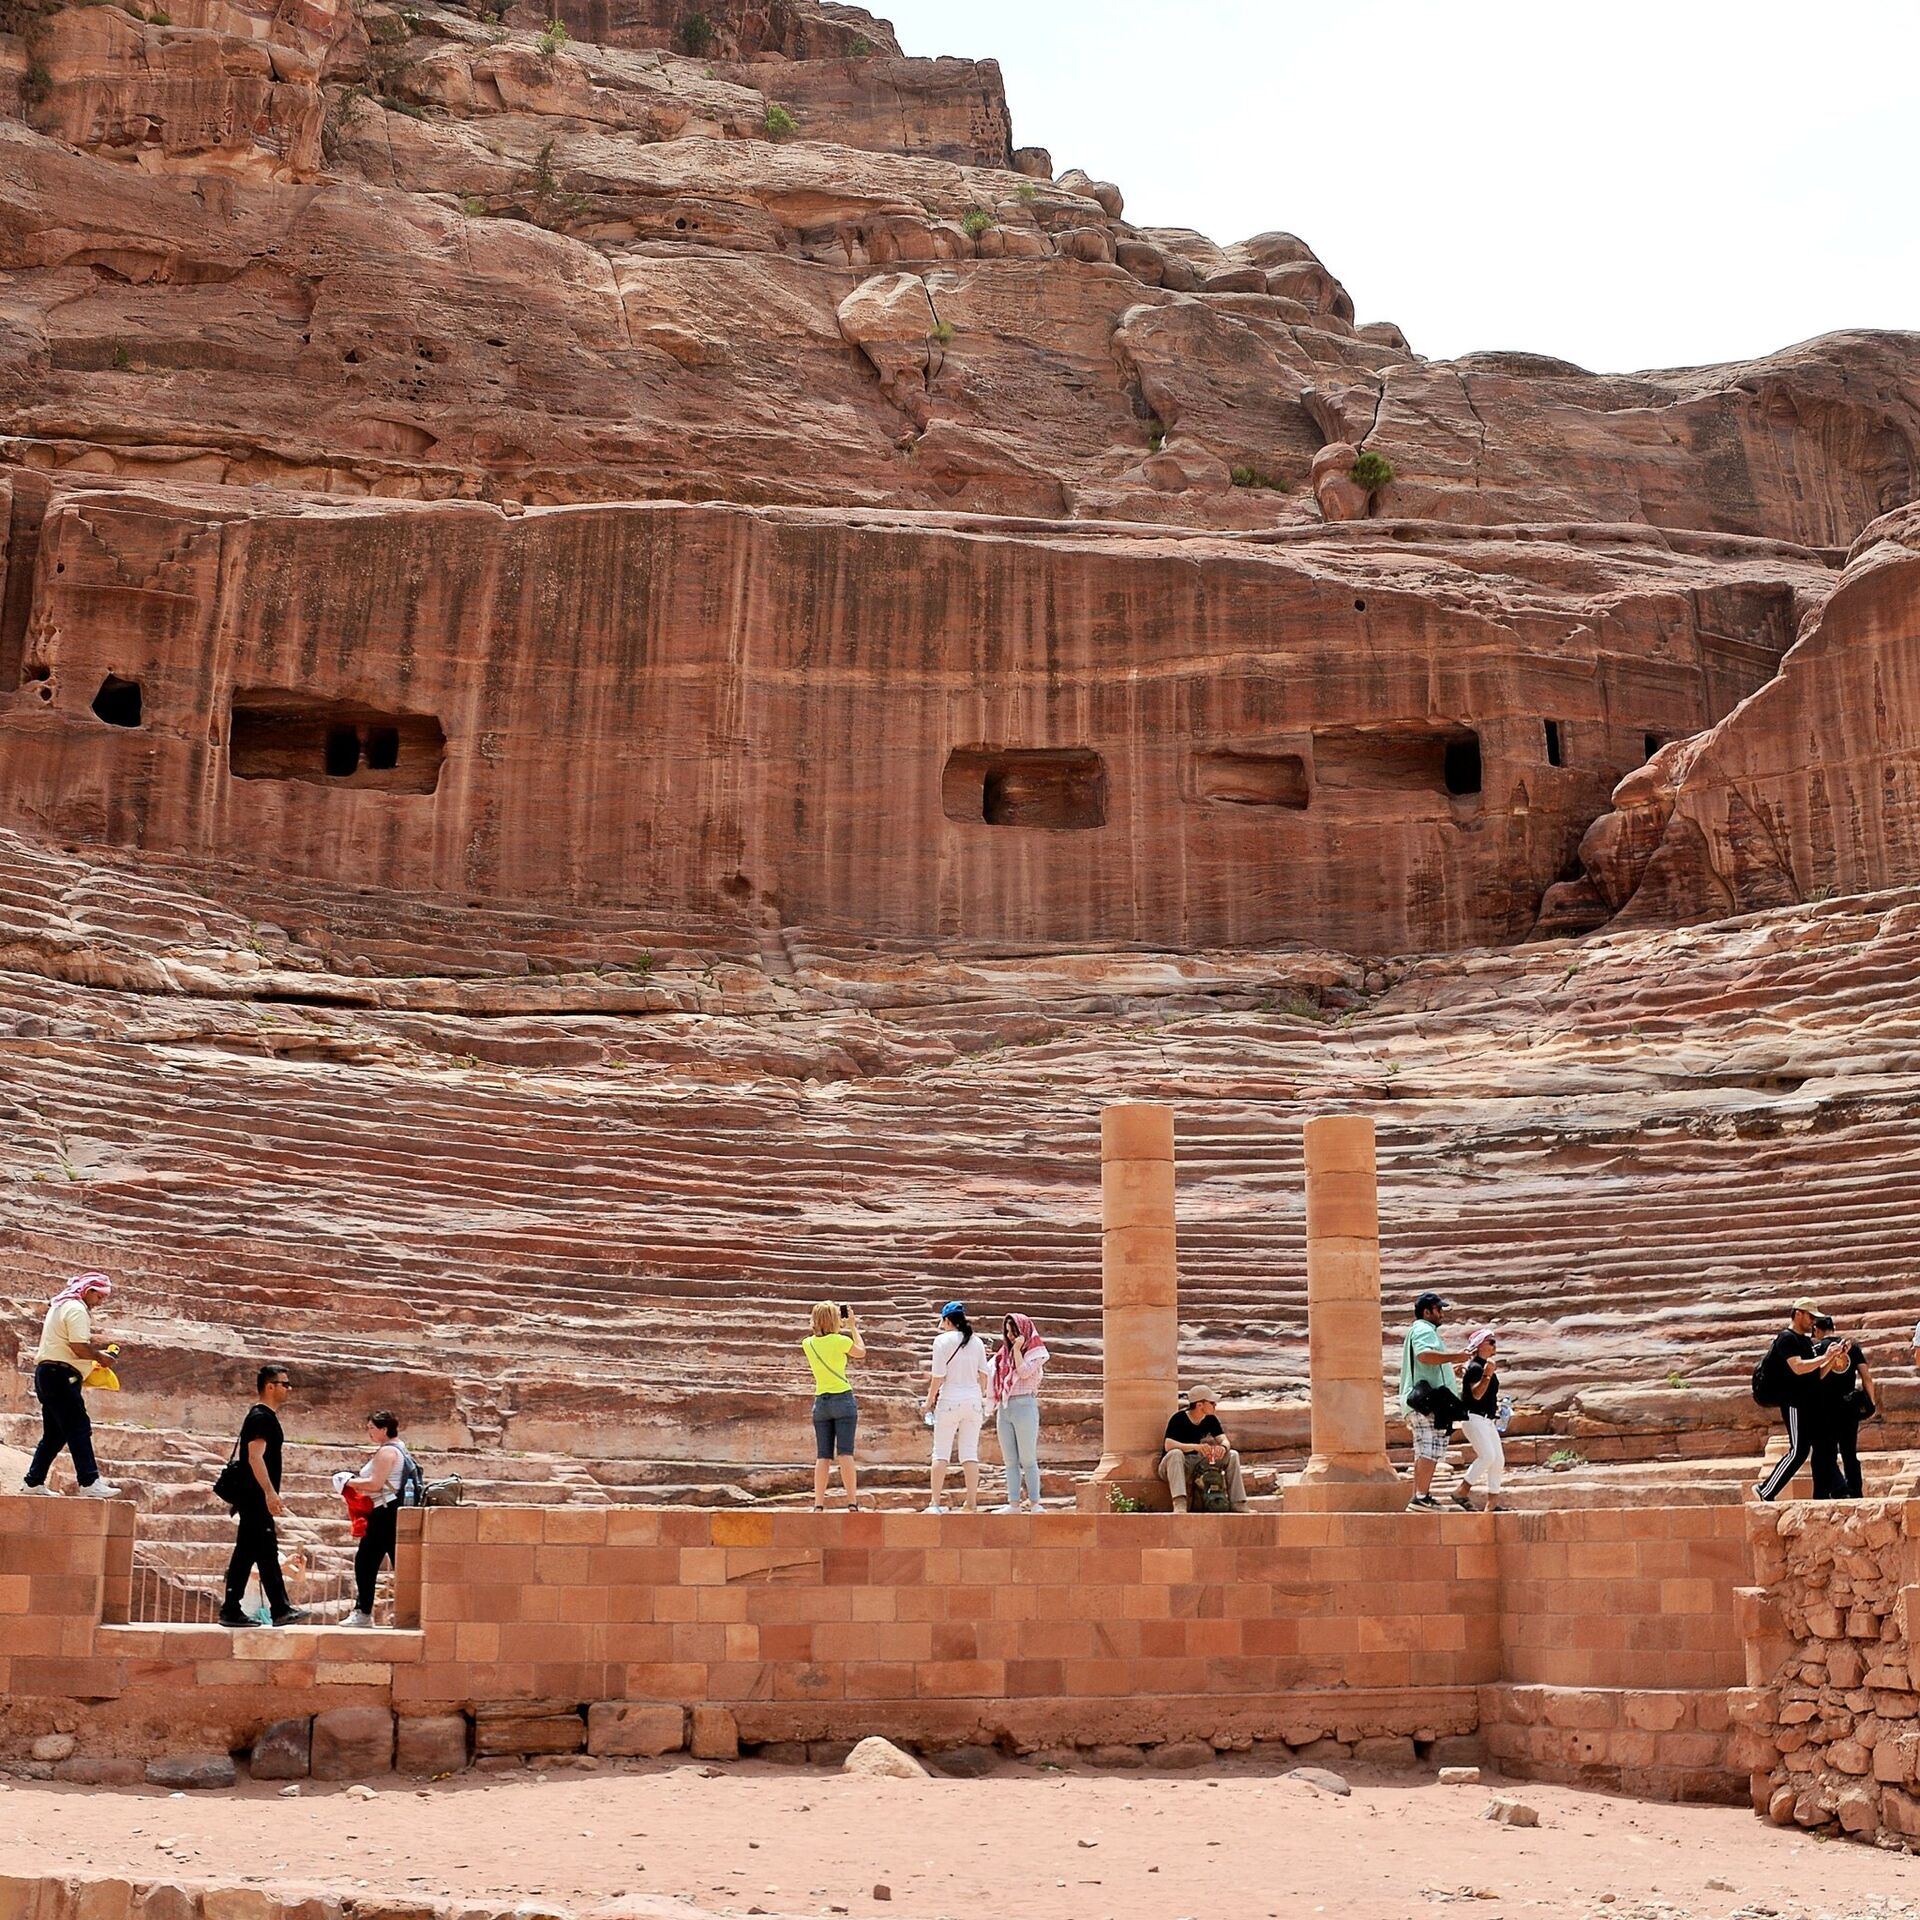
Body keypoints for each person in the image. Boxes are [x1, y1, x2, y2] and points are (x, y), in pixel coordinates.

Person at [220, 1365, 309, 1627]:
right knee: (260, 1550)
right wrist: (270, 1493)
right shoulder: (261, 1418)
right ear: (270, 1386)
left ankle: (263, 1608)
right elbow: (255, 1457)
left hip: (254, 1497)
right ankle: (271, 1608)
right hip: (255, 1496)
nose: (288, 1388)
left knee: (253, 1553)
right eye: (285, 1384)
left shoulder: (262, 1416)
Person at [20, 1272, 121, 1499]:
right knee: (79, 1427)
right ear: (89, 1290)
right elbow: (78, 1346)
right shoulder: (76, 1308)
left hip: (48, 1374)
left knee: (55, 1434)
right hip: (61, 1375)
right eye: (100, 1296)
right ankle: (89, 1482)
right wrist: (101, 1358)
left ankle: (33, 1482)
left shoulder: (60, 1306)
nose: (101, 1301)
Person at [1754, 1300, 1850, 1502]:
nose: (1813, 1321)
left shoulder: (1805, 1341)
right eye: (1810, 1316)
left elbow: (1819, 1374)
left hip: (1808, 1403)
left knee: (1823, 1448)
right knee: (1798, 1451)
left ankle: (1831, 1493)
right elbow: (1798, 1367)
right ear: (1798, 1314)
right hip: (1794, 1403)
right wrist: (1825, 1356)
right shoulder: (1786, 1339)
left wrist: (1833, 1357)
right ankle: (1765, 1490)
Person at [337, 1410, 412, 1627]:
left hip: (385, 1511)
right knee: (398, 1563)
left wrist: (347, 1482)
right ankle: (409, 1612)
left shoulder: (387, 1452)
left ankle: (363, 1612)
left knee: (365, 1562)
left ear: (384, 1429)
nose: (368, 1432)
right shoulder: (400, 1448)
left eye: (372, 1427)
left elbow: (375, 1484)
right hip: (392, 1511)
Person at [1400, 1291, 1470, 1511]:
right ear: (1426, 1311)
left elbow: (1430, 1361)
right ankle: (1421, 1497)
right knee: (1428, 1449)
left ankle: (1420, 1497)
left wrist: (1451, 1368)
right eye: (1439, 1310)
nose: (1442, 1314)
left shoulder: (1425, 1331)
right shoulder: (1423, 1328)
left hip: (1431, 1403)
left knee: (1428, 1449)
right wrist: (1456, 1356)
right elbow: (1425, 1356)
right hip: (1426, 1402)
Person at [923, 1302, 990, 1513]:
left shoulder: (941, 1341)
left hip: (950, 1401)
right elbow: (984, 1375)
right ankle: (971, 1502)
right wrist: (980, 1394)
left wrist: (928, 1400)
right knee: (969, 1454)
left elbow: (938, 1376)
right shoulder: (977, 1342)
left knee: (940, 1452)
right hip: (972, 1401)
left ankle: (935, 1502)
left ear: (947, 1320)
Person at [803, 1300, 865, 1511]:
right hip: (843, 1398)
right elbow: (861, 1352)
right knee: (845, 1453)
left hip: (821, 1401)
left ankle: (818, 1504)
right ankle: (852, 1502)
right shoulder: (841, 1341)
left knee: (823, 1456)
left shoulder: (807, 1344)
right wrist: (853, 1327)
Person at [990, 1311, 1049, 1512]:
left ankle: (1035, 1502)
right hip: (1006, 1408)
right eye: (1007, 1332)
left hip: (1025, 1406)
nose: (1010, 1336)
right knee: (1010, 1460)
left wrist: (1016, 1350)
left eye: (1014, 1331)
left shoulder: (1036, 1354)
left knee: (1028, 1458)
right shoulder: (1002, 1355)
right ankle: (1013, 1503)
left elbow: (1023, 1372)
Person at [1813, 1313, 1875, 1501]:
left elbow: (1815, 1377)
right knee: (1849, 1452)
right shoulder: (1852, 1348)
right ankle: (1855, 1491)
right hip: (1850, 1407)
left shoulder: (1817, 1348)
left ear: (1817, 1329)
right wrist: (1871, 1403)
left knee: (1827, 1452)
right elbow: (1867, 1378)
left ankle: (1839, 1490)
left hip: (1825, 1408)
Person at [1158, 1386, 1248, 1513]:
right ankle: (1179, 1503)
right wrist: (1196, 1447)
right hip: (1175, 1465)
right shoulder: (1178, 1419)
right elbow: (1168, 1445)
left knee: (1232, 1455)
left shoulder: (1210, 1419)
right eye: (1211, 1403)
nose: (1215, 1405)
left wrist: (1222, 1447)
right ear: (1200, 1405)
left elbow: (1224, 1440)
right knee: (1175, 1453)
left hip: (1197, 1464)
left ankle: (1238, 1503)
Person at [1459, 1327, 1505, 1513]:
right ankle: (1461, 1491)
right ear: (1479, 1346)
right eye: (1491, 1342)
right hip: (1473, 1418)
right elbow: (1476, 1395)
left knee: (1498, 1460)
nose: (1494, 1346)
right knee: (1487, 1456)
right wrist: (1487, 1374)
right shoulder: (1477, 1367)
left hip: (1487, 1420)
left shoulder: (1482, 1366)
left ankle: (1492, 1503)